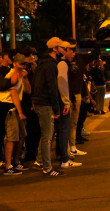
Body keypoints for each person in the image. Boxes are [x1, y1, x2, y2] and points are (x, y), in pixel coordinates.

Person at [32, 37, 64, 176]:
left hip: (39, 101)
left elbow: (35, 82)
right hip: (45, 103)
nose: (63, 50)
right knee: (47, 136)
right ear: (55, 49)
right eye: (61, 47)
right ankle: (47, 167)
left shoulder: (42, 63)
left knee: (45, 134)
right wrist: (56, 109)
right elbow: (52, 88)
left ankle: (40, 161)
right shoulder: (51, 65)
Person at [1, 54, 30, 175]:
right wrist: (20, 112)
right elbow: (13, 95)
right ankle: (8, 165)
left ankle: (16, 161)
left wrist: (25, 78)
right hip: (10, 108)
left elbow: (28, 90)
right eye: (21, 64)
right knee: (12, 137)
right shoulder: (12, 75)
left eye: (25, 64)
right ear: (15, 64)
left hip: (16, 108)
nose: (23, 66)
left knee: (21, 136)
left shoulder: (20, 75)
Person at [55, 40, 82, 168]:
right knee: (63, 129)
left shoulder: (59, 63)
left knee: (62, 129)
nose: (71, 52)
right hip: (60, 101)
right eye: (68, 49)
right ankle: (64, 159)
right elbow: (63, 83)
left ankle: (63, 156)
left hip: (60, 100)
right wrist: (67, 102)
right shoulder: (62, 64)